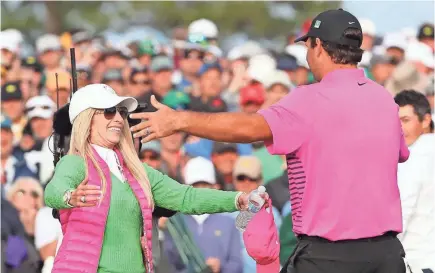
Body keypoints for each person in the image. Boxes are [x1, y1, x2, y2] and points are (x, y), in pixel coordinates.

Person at [130, 9, 410, 273]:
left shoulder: (308, 99)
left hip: (329, 257)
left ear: (319, 47)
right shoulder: (384, 99)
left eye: (308, 48)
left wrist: (179, 121)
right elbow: (396, 155)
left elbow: (250, 127)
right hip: (385, 255)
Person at [44, 83, 259, 273]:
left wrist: (237, 199)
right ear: (87, 119)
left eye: (121, 112)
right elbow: (53, 191)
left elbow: (186, 197)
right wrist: (70, 196)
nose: (119, 118)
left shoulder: (137, 171)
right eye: (109, 111)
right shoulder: (75, 163)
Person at [394, 90, 435, 272]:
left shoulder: (415, 158)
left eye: (406, 120)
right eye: (396, 122)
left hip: (417, 260)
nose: (400, 128)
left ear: (426, 121)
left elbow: (402, 211)